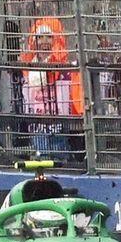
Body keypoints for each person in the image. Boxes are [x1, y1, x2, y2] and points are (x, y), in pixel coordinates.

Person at [18, 17, 85, 160]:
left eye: (48, 36)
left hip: (59, 122)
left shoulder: (62, 65)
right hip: (37, 123)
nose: (44, 41)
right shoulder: (28, 66)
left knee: (59, 155)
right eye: (40, 37)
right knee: (41, 155)